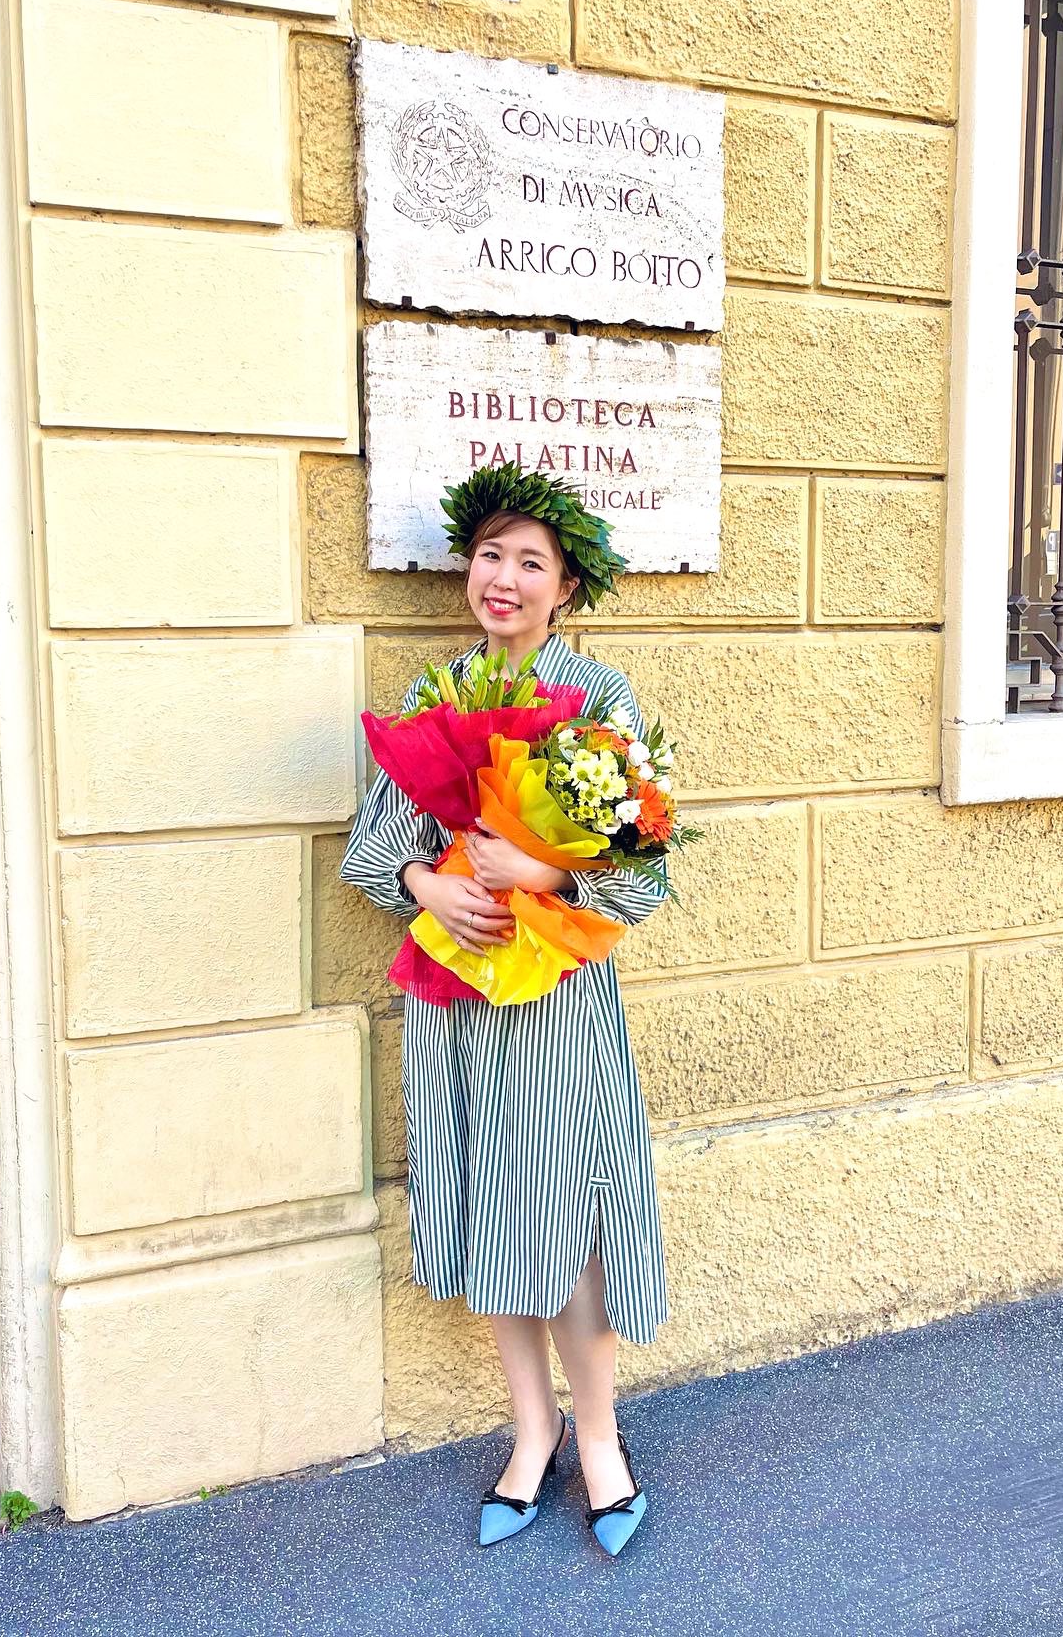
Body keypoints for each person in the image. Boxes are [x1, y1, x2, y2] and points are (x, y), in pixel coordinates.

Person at [340, 463, 669, 1558]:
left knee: (566, 1220)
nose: (505, 577)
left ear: (566, 588)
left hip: (560, 1008)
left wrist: (540, 875)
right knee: (491, 1204)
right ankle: (530, 1433)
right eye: (491, 555)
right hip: (457, 1000)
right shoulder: (436, 695)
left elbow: (643, 879)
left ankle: (601, 1442)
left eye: (532, 562)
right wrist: (427, 886)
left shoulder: (599, 701)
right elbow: (373, 851)